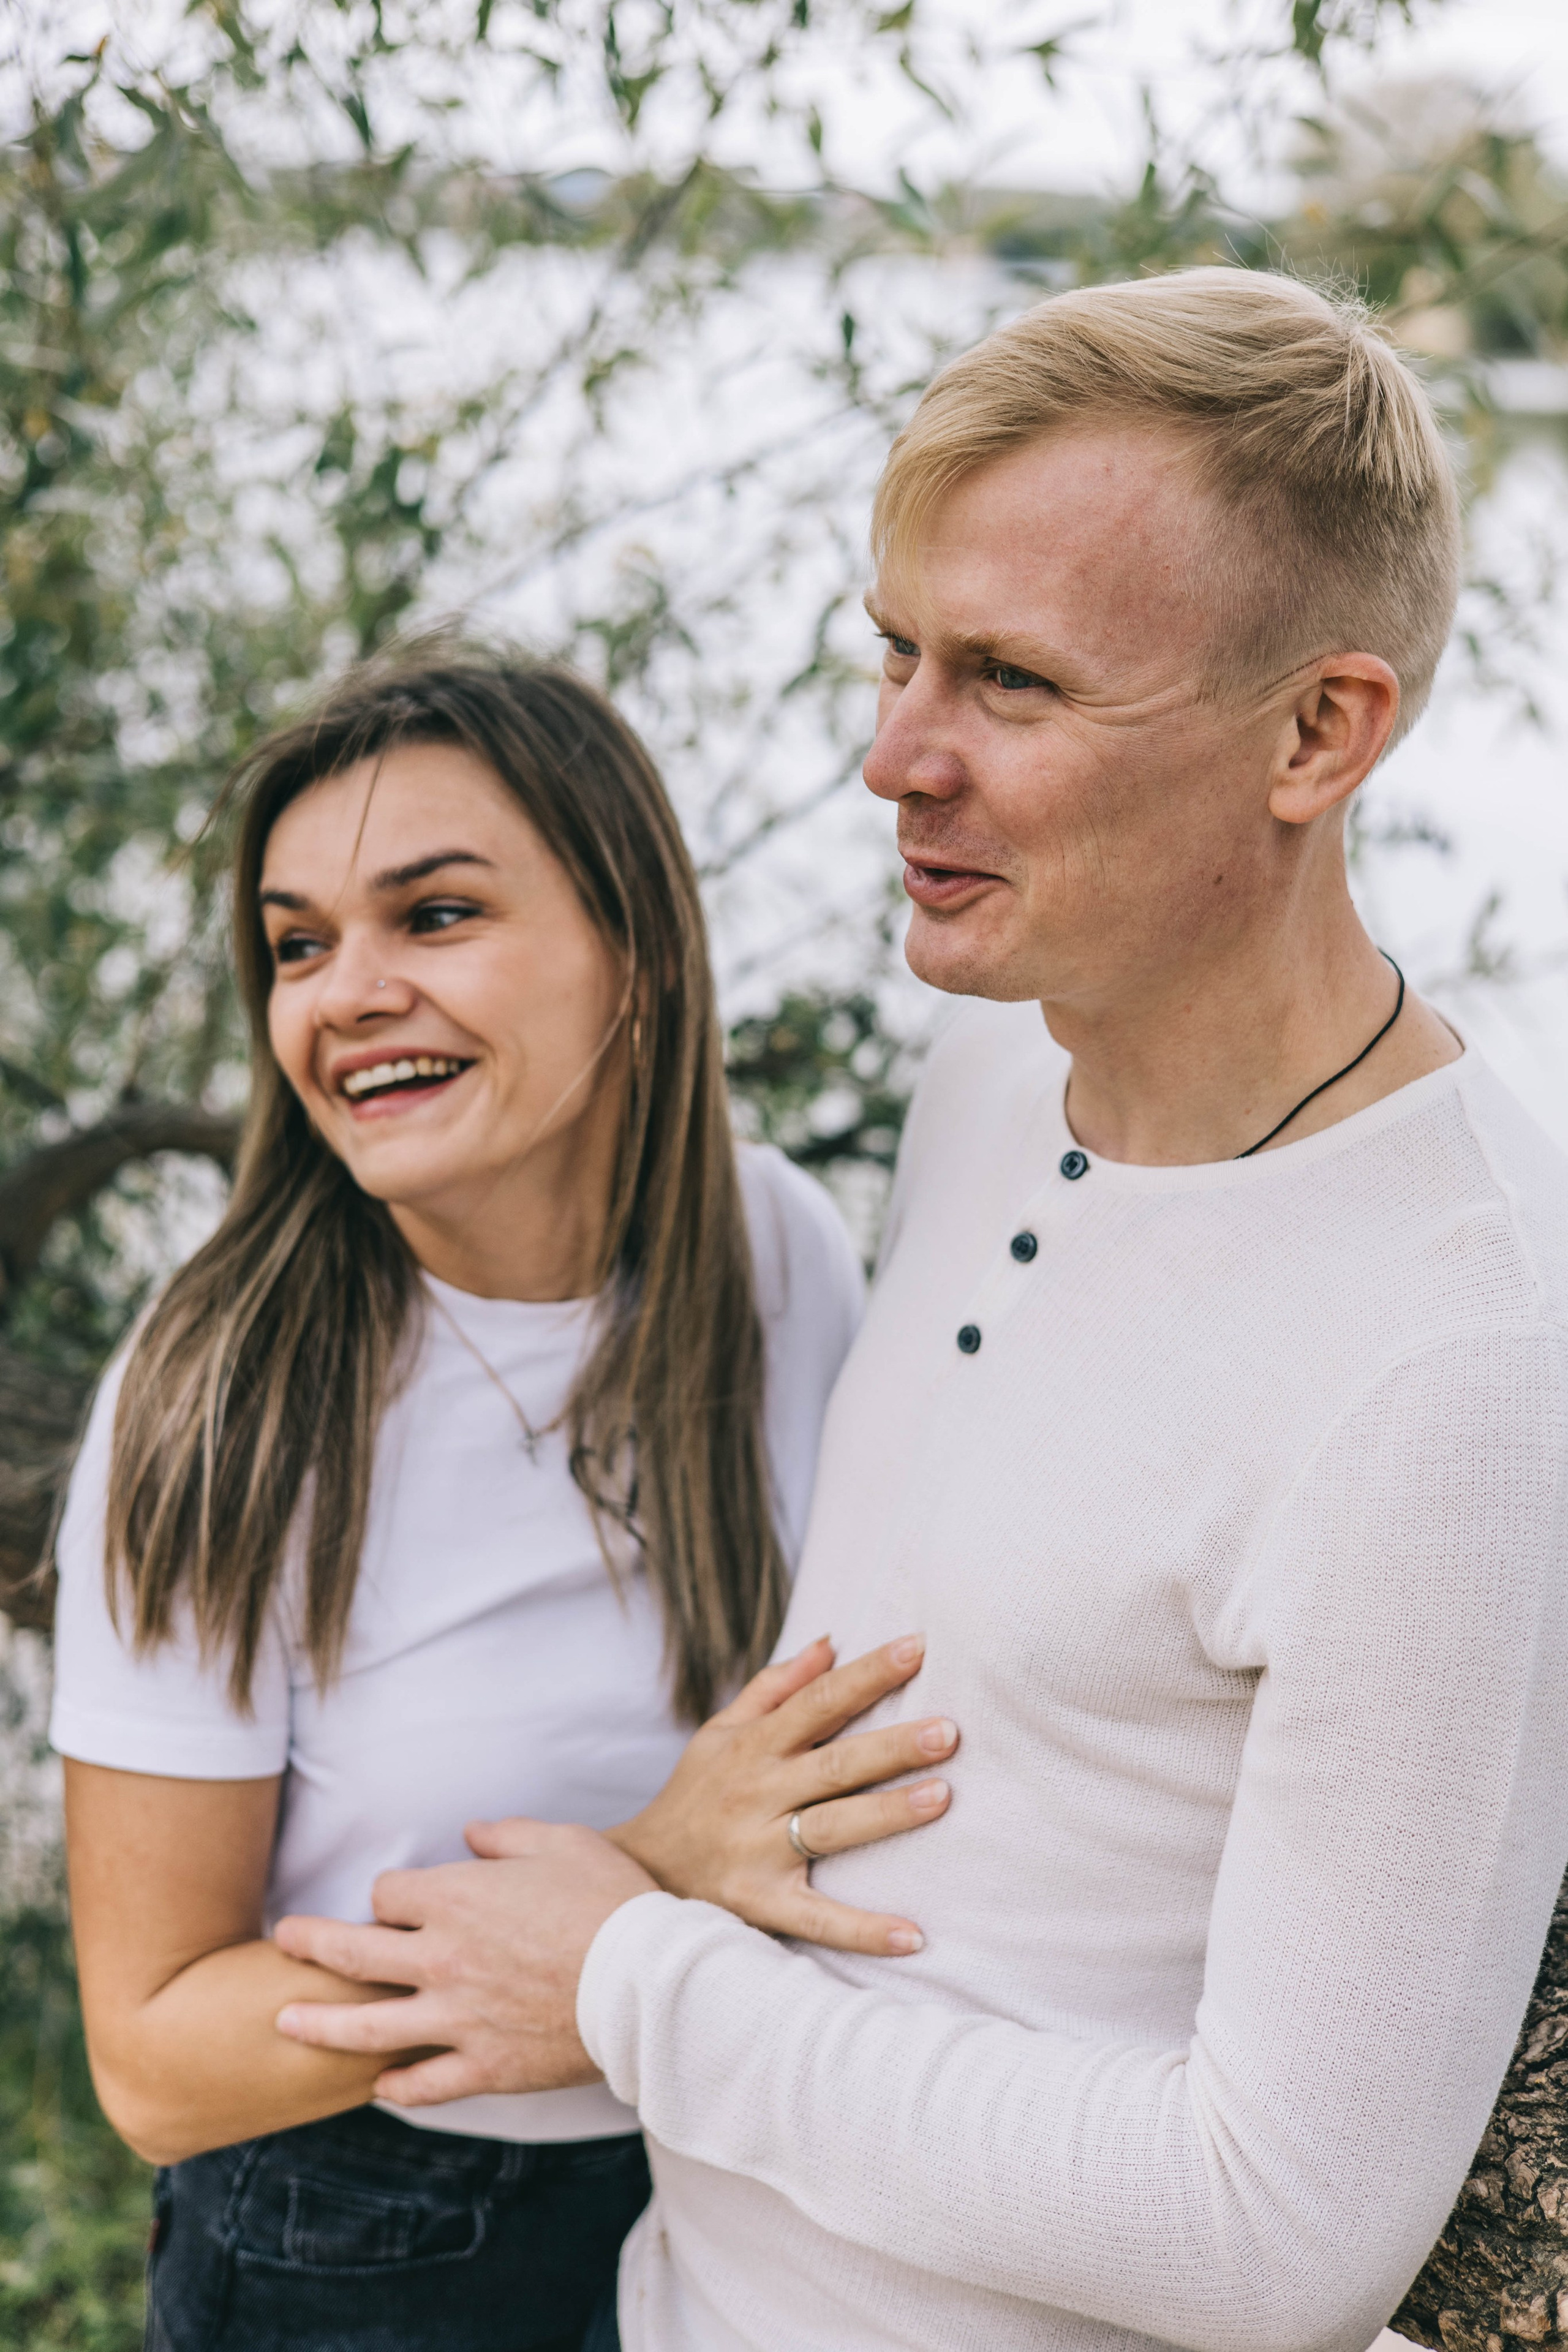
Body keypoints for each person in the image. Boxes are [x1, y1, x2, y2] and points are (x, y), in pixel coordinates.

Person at [275, 270, 1568, 2352]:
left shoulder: (1455, 1372)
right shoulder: (997, 1059)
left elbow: (1275, 2235)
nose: (895, 759)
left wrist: (628, 1983)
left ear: (1319, 733)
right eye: (894, 654)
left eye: (1013, 685)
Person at [49, 646, 962, 2352]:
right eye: (298, 943)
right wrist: (645, 1876)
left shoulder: (775, 1255)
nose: (345, 992)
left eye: (436, 915)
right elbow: (154, 2059)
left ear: (634, 950)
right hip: (359, 2248)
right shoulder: (219, 1405)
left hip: (733, 2176)